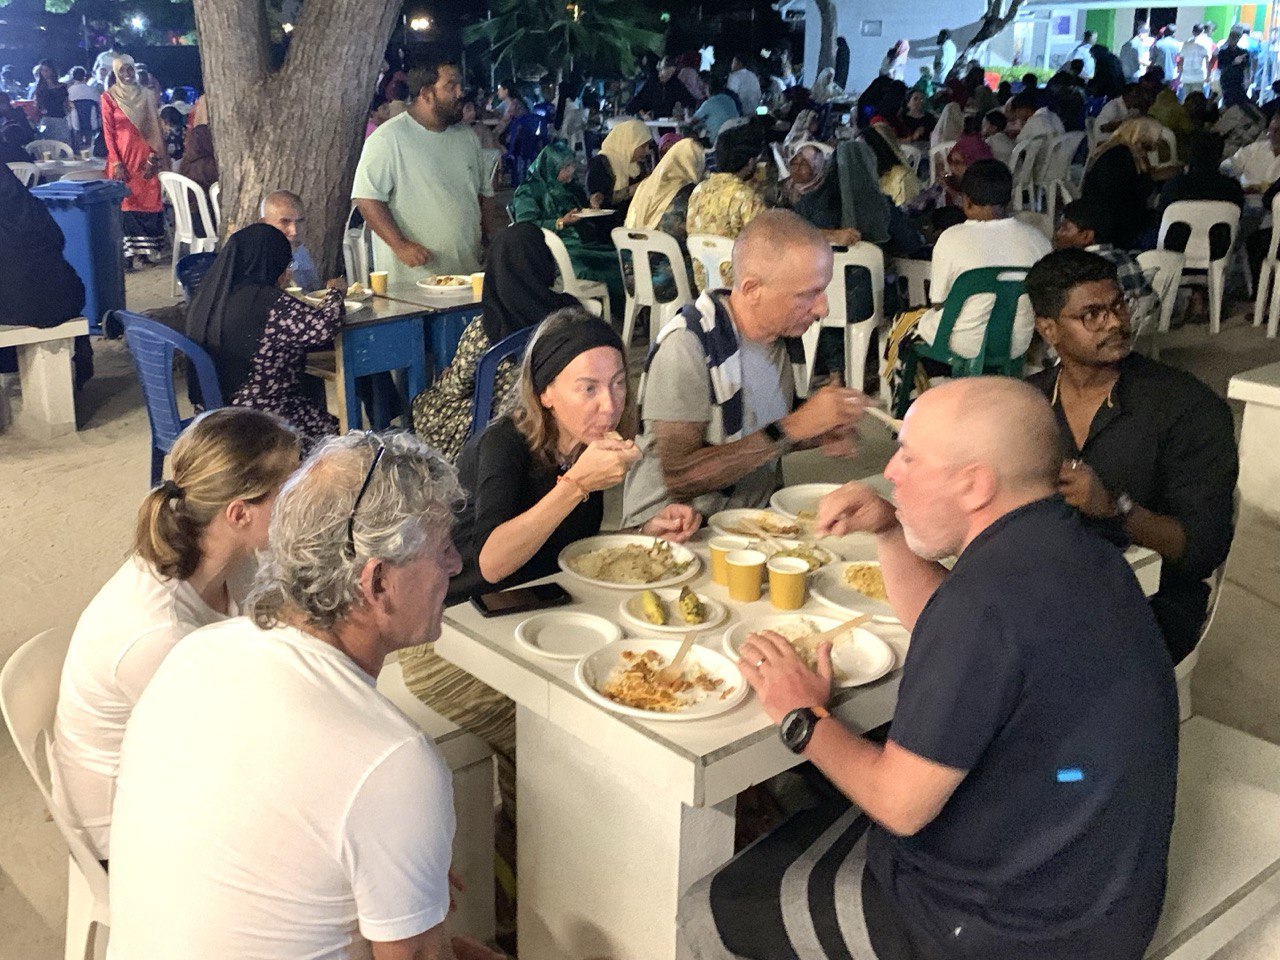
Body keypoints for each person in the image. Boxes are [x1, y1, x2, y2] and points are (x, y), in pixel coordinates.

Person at [677, 375, 1179, 960]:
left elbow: (899, 805)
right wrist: (890, 528)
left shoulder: (983, 605)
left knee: (705, 906)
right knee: (817, 790)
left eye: (909, 456)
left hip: (1007, 931)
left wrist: (802, 717)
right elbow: (960, 631)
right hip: (1106, 897)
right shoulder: (1083, 552)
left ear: (974, 484)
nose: (889, 470)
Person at [106, 430, 504, 960]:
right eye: (443, 550)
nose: (455, 565)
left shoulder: (196, 651)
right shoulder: (394, 762)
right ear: (377, 583)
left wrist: (393, 851)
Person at [51, 409, 299, 861]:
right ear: (239, 513)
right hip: (122, 836)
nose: (302, 502)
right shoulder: (159, 633)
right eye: (291, 490)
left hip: (169, 772)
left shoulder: (228, 559)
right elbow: (232, 758)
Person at [1026, 249, 1237, 664]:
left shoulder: (1187, 407)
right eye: (1092, 314)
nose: (1116, 323)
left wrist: (1114, 508)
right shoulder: (1029, 402)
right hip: (1048, 583)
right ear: (1048, 329)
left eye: (1119, 305)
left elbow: (1203, 549)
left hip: (1149, 604)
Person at [621, 210, 865, 527]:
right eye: (807, 295)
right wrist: (795, 426)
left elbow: (761, 431)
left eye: (823, 290)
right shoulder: (687, 346)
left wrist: (820, 431)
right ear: (751, 289)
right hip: (673, 531)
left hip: (748, 520)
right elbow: (680, 477)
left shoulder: (778, 338)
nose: (823, 308)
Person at [454, 305, 701, 598]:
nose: (610, 405)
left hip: (546, 596)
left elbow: (569, 547)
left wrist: (643, 534)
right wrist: (578, 484)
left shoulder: (584, 444)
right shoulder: (503, 444)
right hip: (469, 607)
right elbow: (492, 565)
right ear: (545, 393)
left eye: (618, 383)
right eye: (588, 389)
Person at [410, 224, 579, 461]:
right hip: (564, 414)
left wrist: (448, 376)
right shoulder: (571, 313)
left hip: (504, 425)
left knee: (424, 402)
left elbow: (456, 387)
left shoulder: (485, 327)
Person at [885, 160, 1050, 397]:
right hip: (1016, 343)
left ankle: (905, 402)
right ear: (1008, 199)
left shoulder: (951, 238)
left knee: (902, 324)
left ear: (966, 201)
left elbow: (938, 303)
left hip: (960, 343)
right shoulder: (1038, 240)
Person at [186, 224, 343, 446]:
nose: (287, 273)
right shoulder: (266, 302)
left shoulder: (208, 296)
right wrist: (335, 293)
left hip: (215, 414)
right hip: (260, 420)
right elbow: (324, 327)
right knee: (343, 436)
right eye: (286, 264)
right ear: (271, 262)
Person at [352, 61, 497, 287]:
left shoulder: (467, 137)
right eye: (451, 86)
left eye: (460, 85)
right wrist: (400, 245)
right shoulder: (388, 138)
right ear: (427, 93)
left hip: (467, 274)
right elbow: (367, 198)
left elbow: (483, 195)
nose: (460, 93)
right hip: (412, 282)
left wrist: (491, 241)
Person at [513, 141, 624, 313]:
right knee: (601, 270)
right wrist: (560, 222)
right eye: (565, 167)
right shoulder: (529, 191)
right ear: (551, 167)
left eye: (572, 165)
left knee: (621, 258)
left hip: (583, 245)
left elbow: (580, 211)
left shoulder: (571, 187)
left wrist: (592, 204)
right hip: (557, 253)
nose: (571, 171)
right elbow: (525, 226)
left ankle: (629, 311)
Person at [101, 55, 167, 267]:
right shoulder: (109, 97)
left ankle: (145, 253)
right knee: (126, 204)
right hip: (123, 159)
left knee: (149, 202)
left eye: (130, 69)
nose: (127, 74)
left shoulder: (146, 94)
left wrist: (153, 157)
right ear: (115, 73)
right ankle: (128, 256)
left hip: (145, 158)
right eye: (122, 71)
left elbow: (155, 128)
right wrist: (116, 162)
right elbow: (108, 132)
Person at [685, 122, 770, 285]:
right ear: (750, 162)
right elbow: (766, 243)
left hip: (706, 285)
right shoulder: (747, 197)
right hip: (740, 287)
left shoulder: (699, 190)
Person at [624, 137, 706, 299]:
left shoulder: (647, 185)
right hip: (663, 281)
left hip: (633, 274)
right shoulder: (686, 196)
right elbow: (693, 236)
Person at [1081, 117, 1164, 248]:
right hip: (1115, 225)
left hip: (1109, 217)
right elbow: (1132, 193)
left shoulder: (1118, 151)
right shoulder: (1121, 156)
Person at [1052, 199, 1154, 303]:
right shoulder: (1125, 257)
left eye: (1065, 228)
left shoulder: (1079, 267)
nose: (1058, 233)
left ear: (1087, 236)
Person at [1160, 131, 1244, 212]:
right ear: (1220, 157)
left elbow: (1161, 217)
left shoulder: (1172, 188)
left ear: (1189, 156)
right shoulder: (1233, 189)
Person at [585, 118, 654, 216]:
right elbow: (599, 200)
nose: (646, 151)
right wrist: (633, 190)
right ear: (628, 143)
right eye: (642, 146)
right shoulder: (600, 164)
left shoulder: (638, 165)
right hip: (608, 221)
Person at [260, 190, 321, 292]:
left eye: (299, 222)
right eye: (285, 222)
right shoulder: (256, 263)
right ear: (264, 223)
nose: (294, 231)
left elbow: (313, 292)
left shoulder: (300, 252)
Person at [1220, 108, 1280, 189]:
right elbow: (1230, 164)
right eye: (1272, 129)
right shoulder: (1254, 149)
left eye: (1278, 131)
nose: (1272, 134)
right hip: (1245, 194)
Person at [32, 59, 71, 146]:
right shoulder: (40, 88)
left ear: (52, 71)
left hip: (60, 119)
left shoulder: (62, 87)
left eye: (46, 70)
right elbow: (37, 105)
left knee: (63, 145)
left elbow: (67, 104)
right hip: (47, 119)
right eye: (42, 70)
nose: (44, 73)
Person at [691, 76, 742, 142]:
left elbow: (693, 121)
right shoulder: (729, 99)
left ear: (709, 89)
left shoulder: (708, 103)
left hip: (717, 139)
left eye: (705, 88)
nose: (704, 90)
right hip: (735, 135)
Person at [1218, 27, 1253, 109]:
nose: (1234, 40)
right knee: (1228, 102)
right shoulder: (1223, 52)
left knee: (1240, 102)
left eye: (1236, 37)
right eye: (1232, 37)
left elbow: (1247, 67)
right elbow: (1221, 66)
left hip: (1239, 81)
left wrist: (1248, 79)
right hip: (1227, 81)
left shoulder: (1243, 52)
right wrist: (1234, 62)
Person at [66, 66, 97, 150]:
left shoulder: (69, 91)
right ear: (84, 76)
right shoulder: (92, 90)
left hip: (74, 123)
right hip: (91, 122)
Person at [1180, 25, 1212, 100]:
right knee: (1197, 100)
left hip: (1186, 76)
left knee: (1187, 99)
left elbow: (1181, 60)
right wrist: (1208, 75)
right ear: (1203, 31)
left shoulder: (1186, 43)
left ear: (1193, 32)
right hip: (1198, 76)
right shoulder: (1206, 43)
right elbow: (1207, 61)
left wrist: (1180, 74)